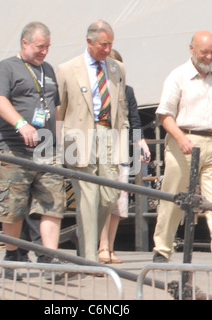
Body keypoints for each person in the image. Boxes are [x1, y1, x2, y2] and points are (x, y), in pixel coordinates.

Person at [152, 30, 212, 266]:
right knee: (173, 198)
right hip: (185, 141)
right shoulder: (177, 76)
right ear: (191, 50)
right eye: (204, 52)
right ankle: (162, 249)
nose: (208, 57)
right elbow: (165, 114)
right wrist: (180, 138)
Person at [0, 22, 65, 279]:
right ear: (24, 43)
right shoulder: (6, 67)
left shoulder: (48, 70)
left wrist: (61, 140)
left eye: (47, 47)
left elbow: (54, 107)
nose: (44, 52)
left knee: (52, 202)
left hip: (46, 148)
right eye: (39, 46)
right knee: (13, 205)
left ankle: (49, 257)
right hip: (14, 148)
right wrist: (21, 123)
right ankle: (13, 255)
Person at [56, 20, 129, 262]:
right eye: (103, 44)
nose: (108, 49)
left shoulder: (117, 68)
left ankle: (84, 233)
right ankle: (89, 257)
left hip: (109, 132)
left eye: (111, 44)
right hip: (78, 135)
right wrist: (59, 145)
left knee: (109, 196)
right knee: (87, 197)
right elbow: (60, 110)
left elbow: (122, 107)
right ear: (89, 42)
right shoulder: (67, 69)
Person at [98, 49, 151, 264]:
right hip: (101, 149)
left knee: (118, 203)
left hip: (120, 149)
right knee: (104, 200)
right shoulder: (98, 92)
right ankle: (101, 246)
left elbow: (135, 121)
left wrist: (141, 143)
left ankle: (110, 247)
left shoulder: (127, 91)